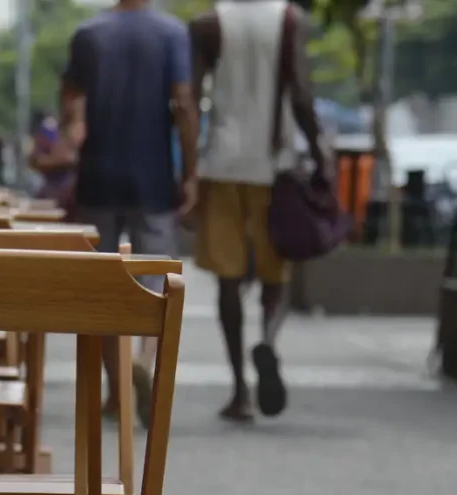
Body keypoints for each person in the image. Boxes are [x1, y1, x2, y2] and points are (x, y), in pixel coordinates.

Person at [60, 0, 199, 426]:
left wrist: (72, 134)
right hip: (153, 177)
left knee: (103, 285)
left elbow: (69, 105)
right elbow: (184, 103)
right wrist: (190, 172)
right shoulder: (172, 33)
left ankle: (116, 387)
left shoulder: (88, 34)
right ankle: (141, 358)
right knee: (155, 281)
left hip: (97, 176)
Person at [189, 0, 326, 422]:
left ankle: (240, 391)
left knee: (227, 282)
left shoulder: (208, 24)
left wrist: (189, 169)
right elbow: (301, 94)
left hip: (223, 165)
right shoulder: (290, 20)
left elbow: (192, 98)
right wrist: (320, 151)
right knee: (276, 273)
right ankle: (266, 339)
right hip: (275, 166)